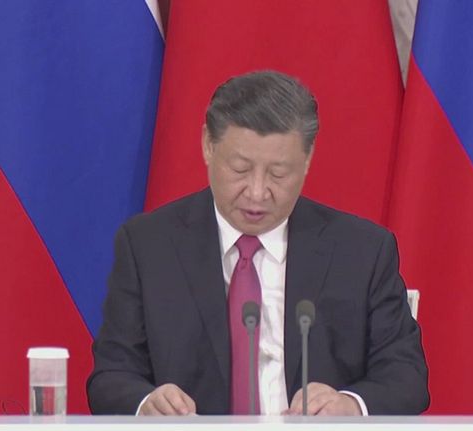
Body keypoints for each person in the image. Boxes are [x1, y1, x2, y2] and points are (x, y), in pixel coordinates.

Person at [87, 70, 429, 415]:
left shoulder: (362, 251)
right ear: (208, 145)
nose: (257, 192)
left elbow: (407, 377)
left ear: (307, 159)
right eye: (240, 169)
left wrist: (350, 406)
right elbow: (111, 376)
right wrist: (147, 403)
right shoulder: (148, 245)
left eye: (278, 174)